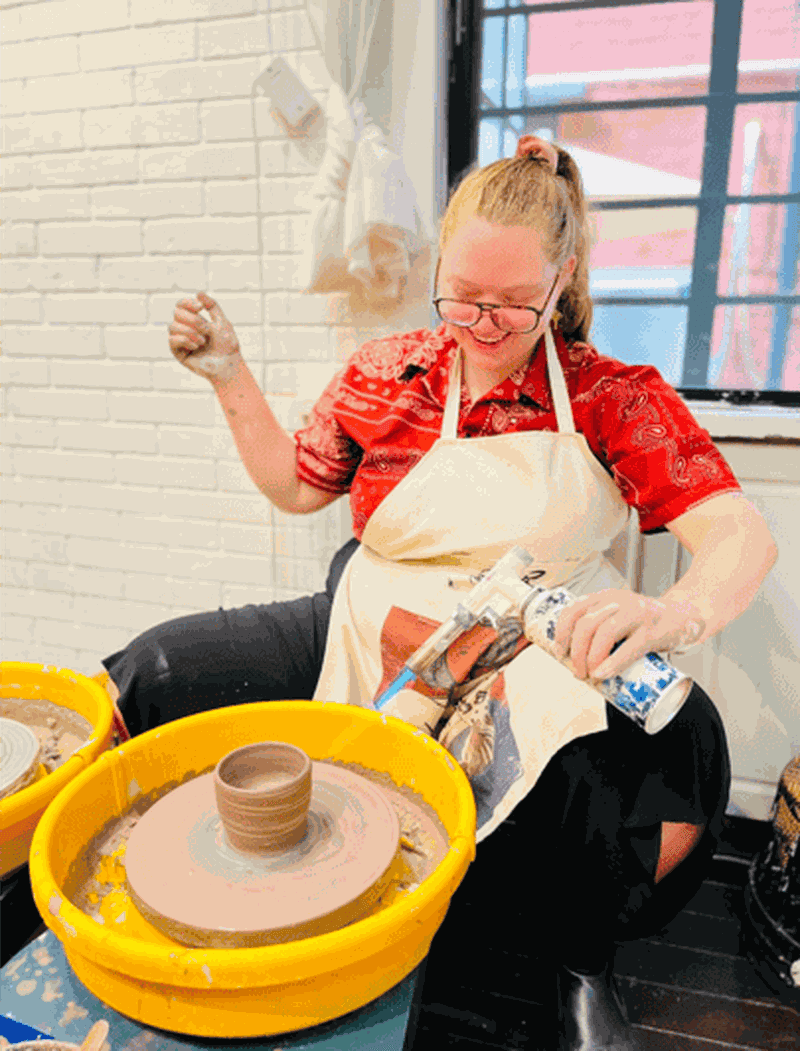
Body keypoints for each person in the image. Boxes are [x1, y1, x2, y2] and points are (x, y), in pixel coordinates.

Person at [99, 136, 778, 1050]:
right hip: (375, 621)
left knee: (657, 742)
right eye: (461, 296)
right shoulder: (388, 375)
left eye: (510, 303)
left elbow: (740, 534)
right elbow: (299, 483)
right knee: (157, 667)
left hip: (536, 642)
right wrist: (230, 375)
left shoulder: (613, 396)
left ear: (563, 276)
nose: (481, 324)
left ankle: (576, 965)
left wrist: (670, 613)